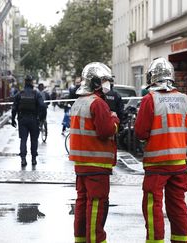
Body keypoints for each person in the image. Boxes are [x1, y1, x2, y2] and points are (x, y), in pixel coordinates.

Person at [135, 58, 187, 243]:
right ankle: (182, 240)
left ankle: (155, 241)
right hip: (178, 164)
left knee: (153, 207)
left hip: (157, 165)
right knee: (178, 206)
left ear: (152, 77)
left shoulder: (150, 99)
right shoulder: (184, 99)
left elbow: (141, 132)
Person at [69, 62, 119, 243]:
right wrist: (114, 119)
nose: (108, 84)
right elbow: (106, 131)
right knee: (97, 205)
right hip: (97, 164)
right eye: (105, 80)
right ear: (97, 82)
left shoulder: (79, 101)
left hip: (82, 164)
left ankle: (81, 239)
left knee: (82, 203)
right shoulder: (98, 103)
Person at [11, 75, 47, 166]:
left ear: (24, 82)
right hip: (34, 120)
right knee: (34, 140)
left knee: (23, 140)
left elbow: (14, 108)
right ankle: (34, 159)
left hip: (22, 120)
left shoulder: (20, 94)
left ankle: (23, 159)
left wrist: (13, 119)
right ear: (31, 82)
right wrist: (42, 118)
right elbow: (43, 106)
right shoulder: (36, 94)